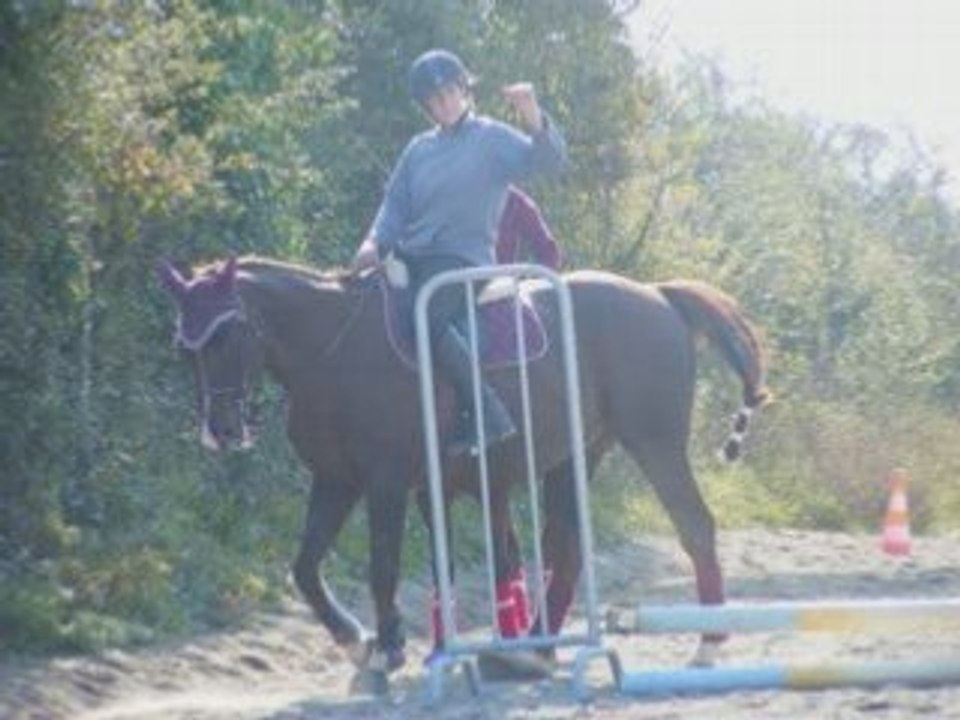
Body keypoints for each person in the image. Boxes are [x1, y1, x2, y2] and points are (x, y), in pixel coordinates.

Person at [352, 49, 567, 457]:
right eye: (433, 100)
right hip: (411, 257)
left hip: (464, 260)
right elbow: (395, 205)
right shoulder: (417, 149)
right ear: (425, 107)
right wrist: (372, 243)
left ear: (465, 89)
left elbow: (547, 162)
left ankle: (487, 411)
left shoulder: (492, 137)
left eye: (449, 92)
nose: (443, 104)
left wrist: (532, 113)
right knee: (365, 307)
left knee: (424, 315)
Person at [496, 185, 563, 270]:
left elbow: (549, 252)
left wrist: (534, 279)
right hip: (477, 275)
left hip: (499, 279)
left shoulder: (515, 202)